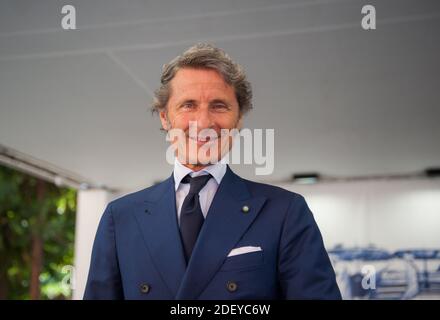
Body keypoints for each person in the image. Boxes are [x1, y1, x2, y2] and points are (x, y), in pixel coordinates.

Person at [84, 43, 341, 300]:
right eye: (188, 105)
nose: (205, 123)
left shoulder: (285, 213)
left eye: (219, 106)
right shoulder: (120, 218)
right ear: (165, 117)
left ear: (238, 119)